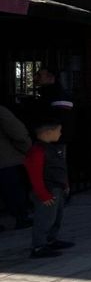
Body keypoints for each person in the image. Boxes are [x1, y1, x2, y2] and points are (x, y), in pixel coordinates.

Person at [24, 120, 72, 259]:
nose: (60, 133)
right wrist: (42, 194)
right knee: (44, 218)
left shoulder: (52, 148)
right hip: (47, 190)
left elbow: (60, 169)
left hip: (57, 188)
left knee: (56, 216)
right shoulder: (37, 151)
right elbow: (35, 174)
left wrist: (65, 184)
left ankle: (51, 239)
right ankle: (38, 246)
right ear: (48, 132)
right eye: (58, 130)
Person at [0, 104, 32, 230]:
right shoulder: (2, 112)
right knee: (13, 190)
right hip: (5, 159)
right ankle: (21, 217)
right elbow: (18, 133)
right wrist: (27, 149)